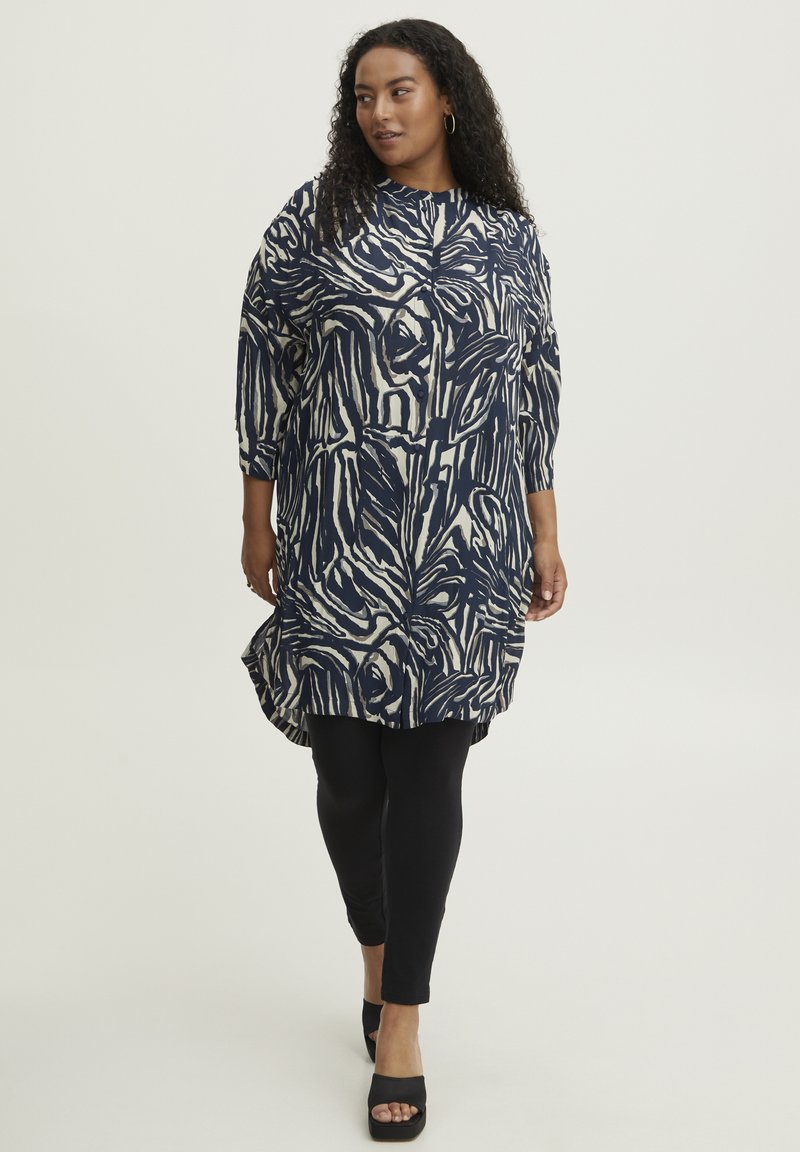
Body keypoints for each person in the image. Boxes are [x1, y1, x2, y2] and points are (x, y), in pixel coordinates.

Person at [235, 18, 567, 1141]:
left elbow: (533, 390)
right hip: (340, 539)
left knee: (429, 775)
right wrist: (257, 514)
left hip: (467, 545)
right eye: (363, 95)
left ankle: (403, 1021)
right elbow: (264, 360)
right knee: (346, 780)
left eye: (401, 90)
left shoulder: (506, 240)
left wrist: (544, 530)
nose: (379, 112)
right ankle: (376, 955)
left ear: (449, 99)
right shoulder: (315, 220)